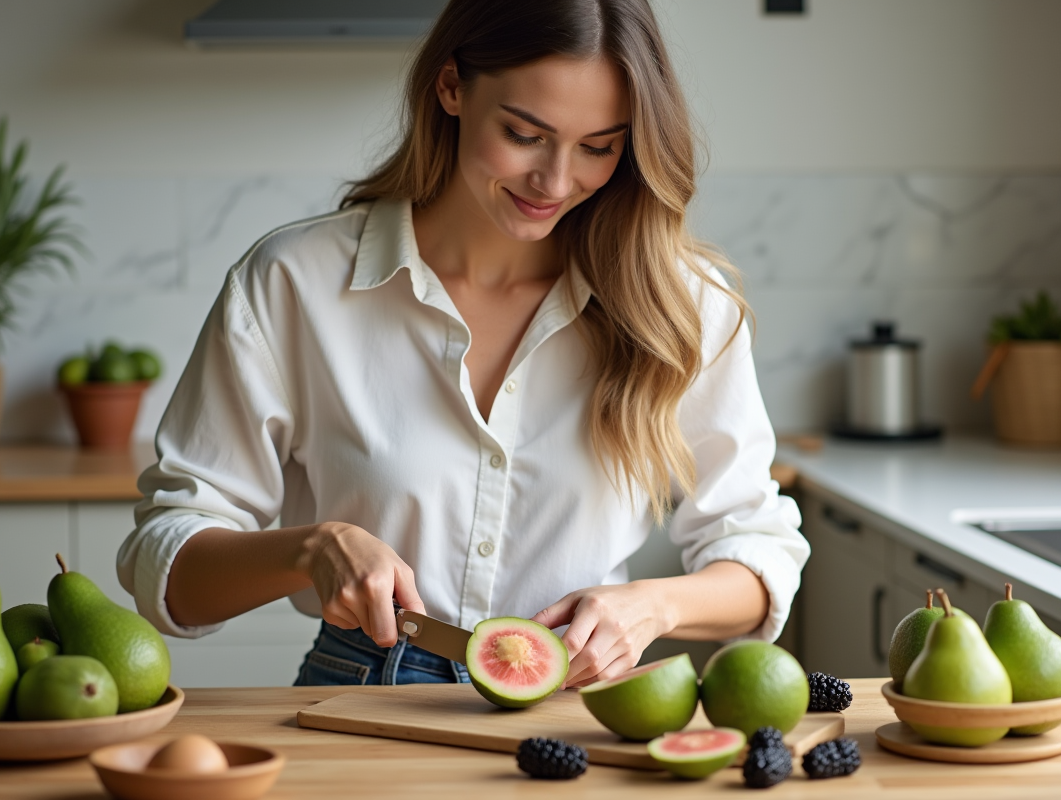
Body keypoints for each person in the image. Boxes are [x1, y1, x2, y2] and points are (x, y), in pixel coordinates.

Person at [117, 0, 809, 688]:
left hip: (580, 702)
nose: (556, 181)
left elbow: (761, 552)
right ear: (451, 86)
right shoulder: (293, 282)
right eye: (524, 134)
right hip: (363, 690)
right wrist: (311, 549)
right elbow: (165, 565)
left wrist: (654, 607)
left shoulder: (679, 304)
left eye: (598, 147)